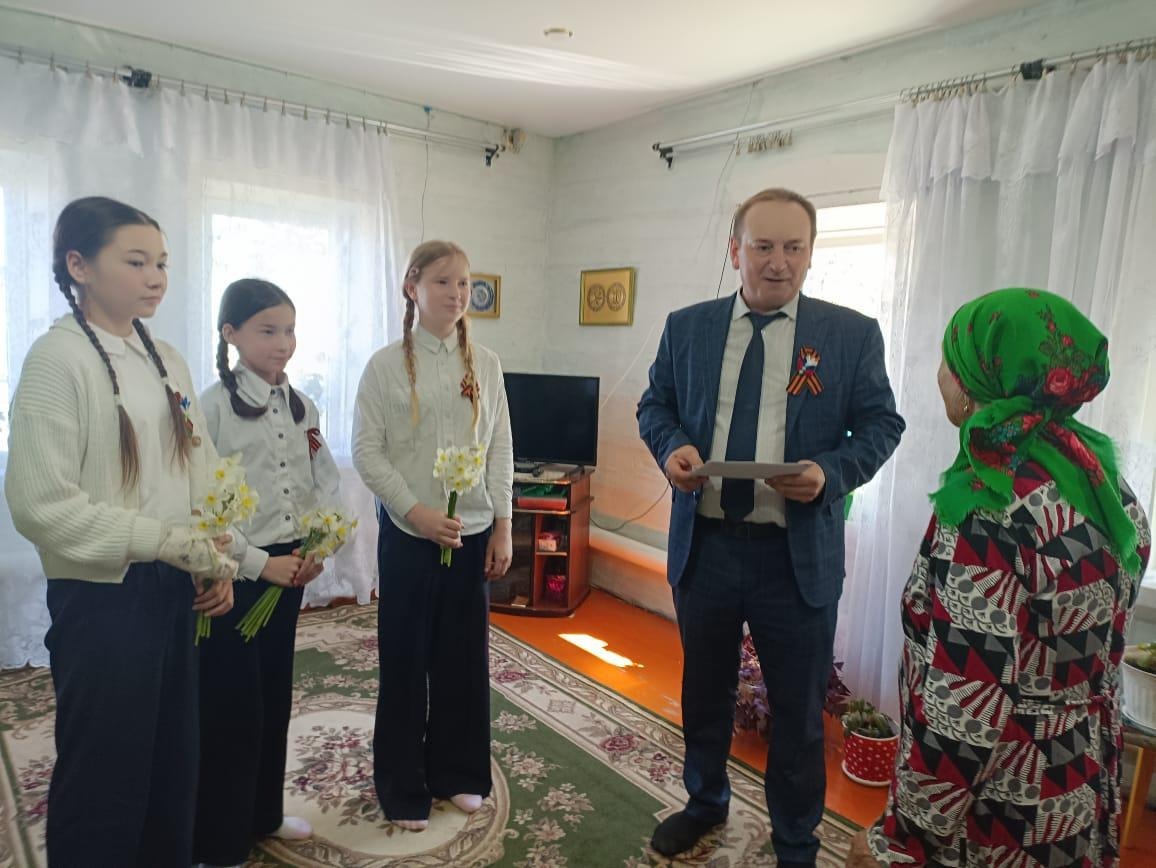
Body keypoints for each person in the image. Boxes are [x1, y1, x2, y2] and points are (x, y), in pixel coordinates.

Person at [637, 187, 905, 865]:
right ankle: (705, 803)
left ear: (811, 254)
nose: (778, 262)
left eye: (793, 247)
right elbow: (654, 405)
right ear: (736, 251)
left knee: (797, 711)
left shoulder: (849, 335)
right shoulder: (687, 327)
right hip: (707, 548)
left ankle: (795, 840)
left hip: (796, 556)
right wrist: (672, 448)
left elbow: (882, 425)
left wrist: (830, 473)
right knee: (705, 693)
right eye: (763, 246)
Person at [845, 287, 1151, 867]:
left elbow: (964, 706)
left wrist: (901, 839)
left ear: (977, 382)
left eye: (949, 359)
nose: (939, 374)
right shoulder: (1107, 485)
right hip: (1080, 789)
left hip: (1002, 814)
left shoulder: (989, 508)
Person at [5, 196, 236, 866]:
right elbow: (40, 504)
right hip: (103, 596)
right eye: (136, 262)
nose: (156, 277)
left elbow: (199, 464)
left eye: (161, 263)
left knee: (171, 762)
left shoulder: (166, 358)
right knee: (106, 771)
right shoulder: (57, 361)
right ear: (78, 265)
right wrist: (165, 542)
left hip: (175, 584)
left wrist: (213, 554)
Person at [352, 240, 514, 831]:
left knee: (462, 659)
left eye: (464, 283)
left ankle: (458, 771)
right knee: (405, 659)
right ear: (412, 287)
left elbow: (500, 446)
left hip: (471, 533)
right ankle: (401, 785)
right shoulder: (384, 366)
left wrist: (503, 525)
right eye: (443, 281)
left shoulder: (486, 365)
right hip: (409, 534)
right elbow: (367, 452)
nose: (456, 293)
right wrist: (415, 512)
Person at [192, 278, 339, 867]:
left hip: (292, 564)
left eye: (290, 330)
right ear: (231, 334)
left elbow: (324, 479)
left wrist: (320, 544)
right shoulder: (211, 407)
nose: (284, 343)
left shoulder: (304, 406)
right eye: (268, 330)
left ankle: (264, 814)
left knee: (274, 695)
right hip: (234, 571)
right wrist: (257, 563)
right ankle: (219, 839)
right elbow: (201, 501)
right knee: (232, 706)